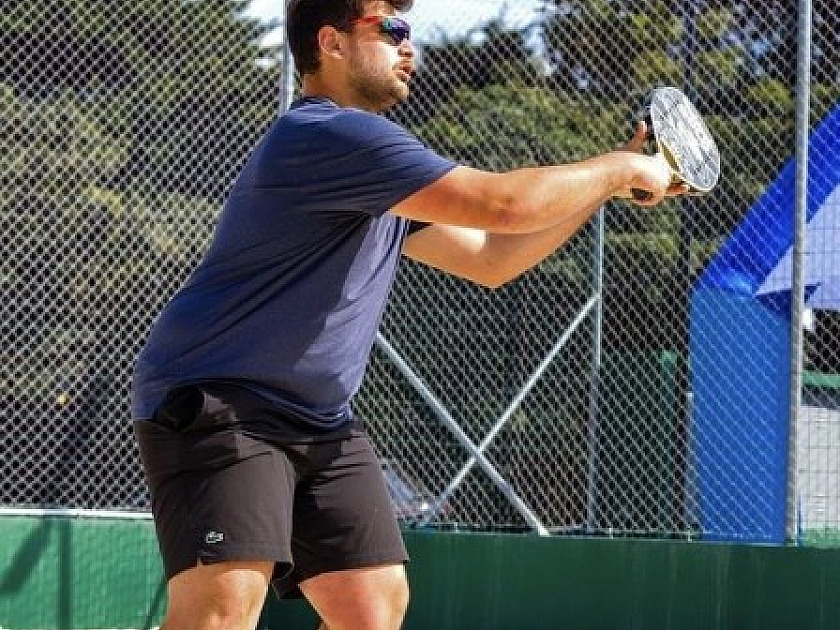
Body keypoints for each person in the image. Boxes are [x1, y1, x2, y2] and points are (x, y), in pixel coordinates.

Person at [129, 0, 684, 628]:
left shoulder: (373, 173)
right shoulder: (327, 134)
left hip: (317, 419)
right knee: (222, 612)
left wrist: (606, 183)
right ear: (332, 43)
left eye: (409, 30)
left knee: (373, 605)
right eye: (389, 28)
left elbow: (494, 258)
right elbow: (505, 205)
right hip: (223, 401)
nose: (408, 45)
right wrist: (619, 166)